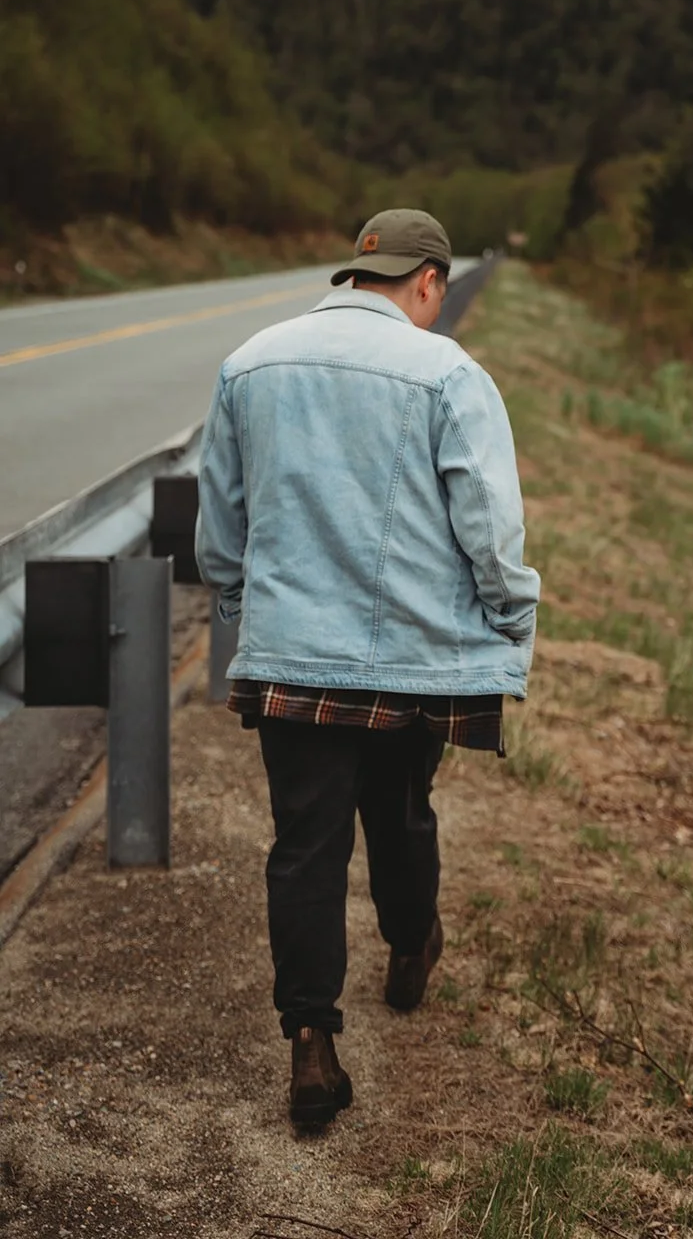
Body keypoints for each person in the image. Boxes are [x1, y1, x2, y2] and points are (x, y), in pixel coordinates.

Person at [195, 209, 540, 1129]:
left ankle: (310, 1040)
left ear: (358, 272)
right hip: (415, 661)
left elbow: (218, 530)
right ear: (429, 282)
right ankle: (407, 942)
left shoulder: (251, 362)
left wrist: (244, 619)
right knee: (399, 813)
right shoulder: (450, 373)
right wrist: (510, 617)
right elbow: (490, 528)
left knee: (304, 845)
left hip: (289, 657)